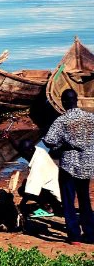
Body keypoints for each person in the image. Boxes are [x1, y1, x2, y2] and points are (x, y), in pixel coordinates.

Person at [42, 88, 94, 245]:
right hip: (86, 165)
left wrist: (61, 145)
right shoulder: (91, 117)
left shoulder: (62, 120)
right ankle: (91, 234)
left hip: (68, 167)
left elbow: (48, 140)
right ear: (76, 100)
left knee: (68, 201)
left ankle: (74, 236)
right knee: (85, 200)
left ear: (64, 102)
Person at [13, 138, 62, 218]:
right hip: (58, 188)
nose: (23, 155)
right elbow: (21, 150)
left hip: (57, 197)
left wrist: (20, 206)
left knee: (23, 190)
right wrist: (9, 137)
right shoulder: (39, 151)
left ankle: (48, 208)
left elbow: (30, 191)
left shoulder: (37, 165)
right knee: (26, 185)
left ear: (30, 150)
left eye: (25, 152)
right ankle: (47, 204)